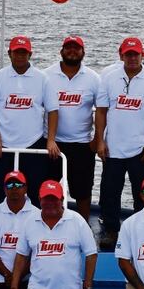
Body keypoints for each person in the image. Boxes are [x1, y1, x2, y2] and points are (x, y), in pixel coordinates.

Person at [95, 37, 144, 248]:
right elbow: (101, 111)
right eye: (129, 54)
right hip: (113, 148)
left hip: (140, 149)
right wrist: (100, 141)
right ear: (121, 55)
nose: (133, 58)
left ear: (142, 55)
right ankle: (111, 230)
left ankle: (140, 231)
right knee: (109, 192)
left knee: (141, 192)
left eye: (136, 54)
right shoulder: (108, 78)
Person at [0, 35, 59, 203]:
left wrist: (51, 140)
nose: (20, 56)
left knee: (35, 190)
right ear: (9, 53)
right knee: (1, 189)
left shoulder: (42, 78)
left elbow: (53, 111)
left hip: (34, 144)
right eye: (16, 52)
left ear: (30, 54)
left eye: (24, 53)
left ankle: (35, 226)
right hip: (3, 147)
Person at [44, 35, 100, 221]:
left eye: (76, 48)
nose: (72, 51)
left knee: (83, 192)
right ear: (61, 51)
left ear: (83, 52)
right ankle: (46, 224)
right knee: (48, 189)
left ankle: (84, 226)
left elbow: (102, 111)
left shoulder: (93, 79)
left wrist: (97, 140)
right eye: (68, 47)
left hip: (82, 144)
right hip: (51, 143)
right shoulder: (46, 75)